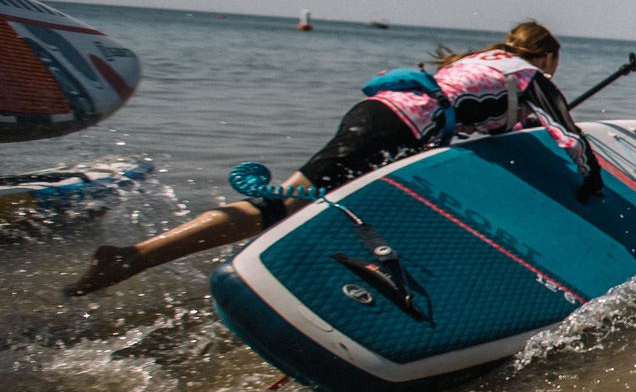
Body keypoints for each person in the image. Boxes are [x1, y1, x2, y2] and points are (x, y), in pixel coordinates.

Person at [68, 21, 597, 296]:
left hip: (379, 113)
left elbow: (485, 117)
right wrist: (591, 186)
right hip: (399, 126)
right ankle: (132, 258)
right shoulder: (530, 77)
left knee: (311, 208)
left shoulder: (486, 62)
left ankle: (305, 284)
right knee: (278, 210)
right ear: (547, 56)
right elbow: (570, 137)